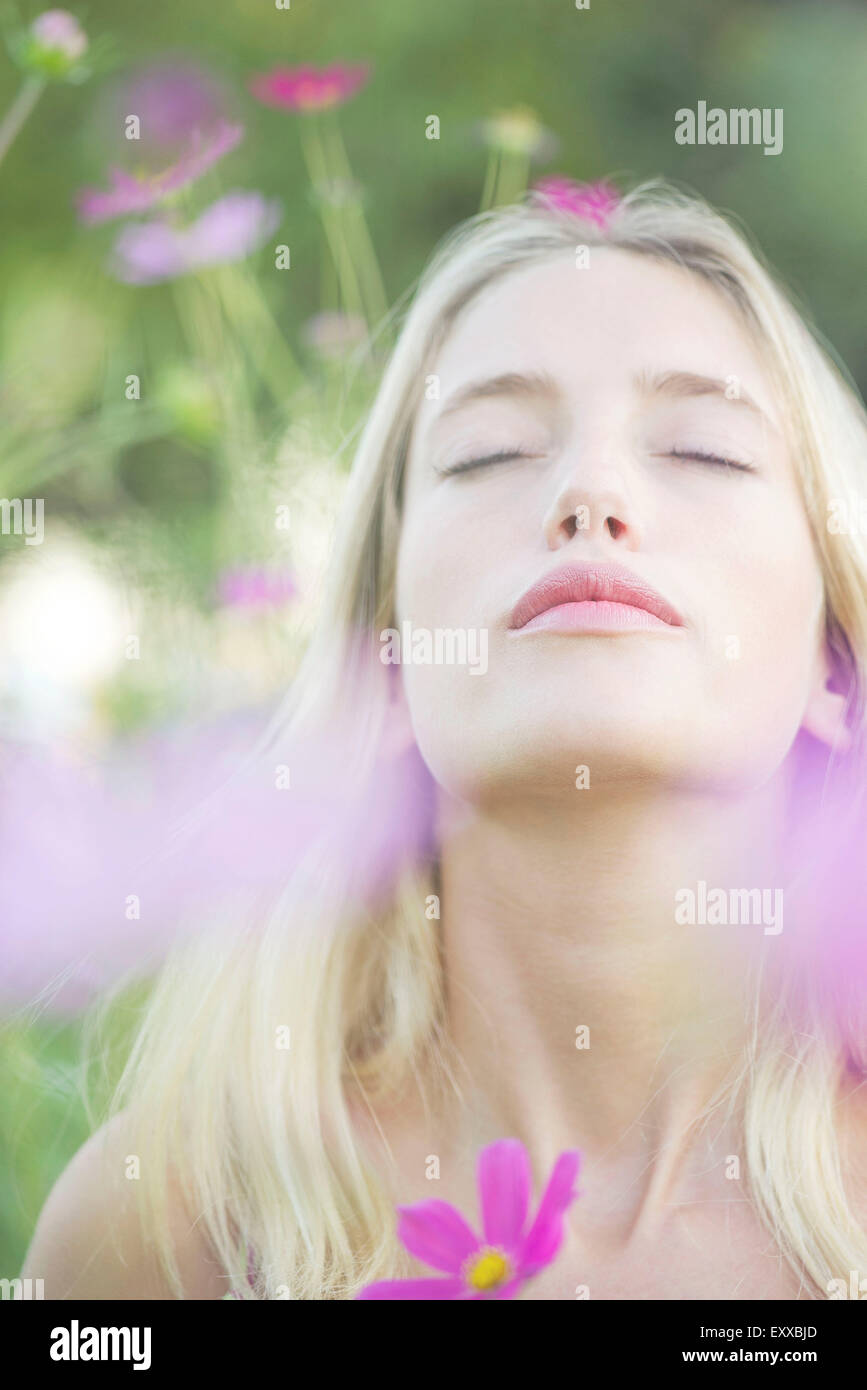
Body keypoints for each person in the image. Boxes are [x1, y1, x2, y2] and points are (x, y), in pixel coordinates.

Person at [22, 177, 867, 1300]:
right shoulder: (168, 1228)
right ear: (388, 663)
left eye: (704, 449)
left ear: (833, 665)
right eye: (491, 451)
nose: (590, 491)